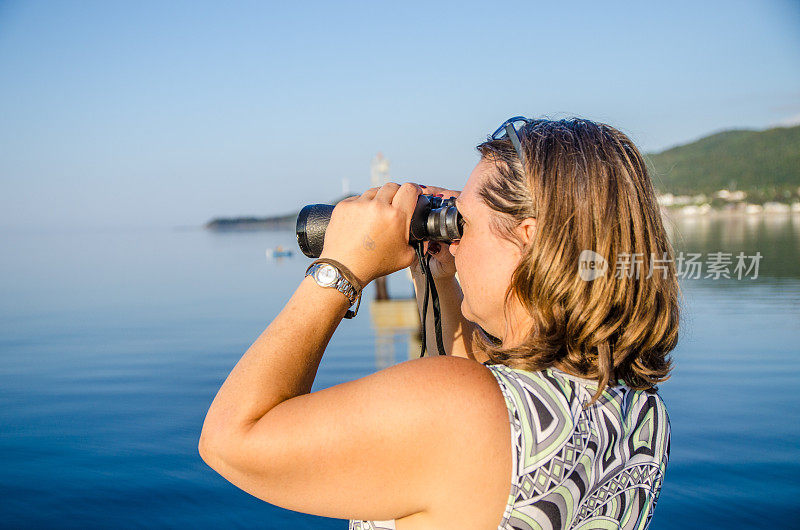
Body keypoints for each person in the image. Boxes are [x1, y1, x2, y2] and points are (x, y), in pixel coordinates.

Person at [198, 117, 680, 530]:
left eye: (462, 223)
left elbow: (231, 440)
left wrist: (339, 269)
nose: (456, 239)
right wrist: (437, 275)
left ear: (527, 240)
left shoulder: (461, 409)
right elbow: (493, 405)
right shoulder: (639, 410)